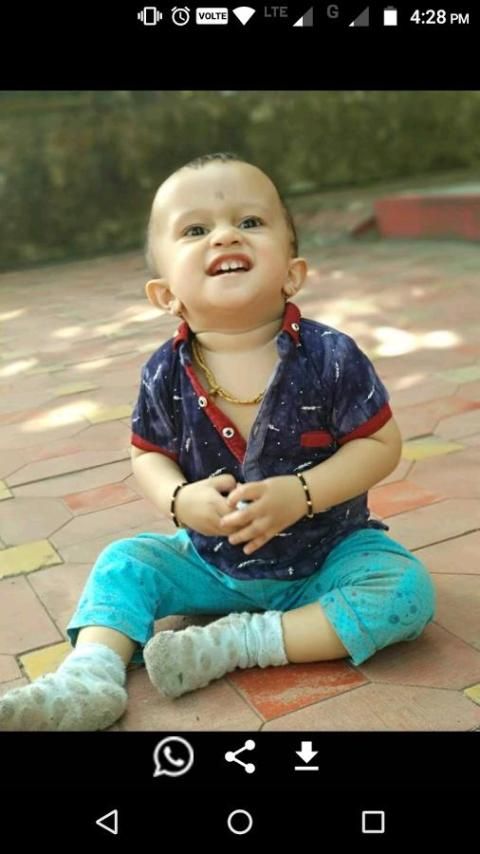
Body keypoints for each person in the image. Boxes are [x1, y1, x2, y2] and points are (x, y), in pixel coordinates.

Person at [0, 152, 436, 731]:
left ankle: (237, 643)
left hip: (327, 555)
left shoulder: (331, 357)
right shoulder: (163, 373)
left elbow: (381, 444)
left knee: (405, 591)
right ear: (165, 294)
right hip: (209, 562)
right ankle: (89, 675)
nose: (225, 235)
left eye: (250, 222)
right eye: (195, 230)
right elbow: (148, 454)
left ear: (292, 273)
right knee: (125, 563)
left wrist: (303, 493)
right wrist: (181, 500)